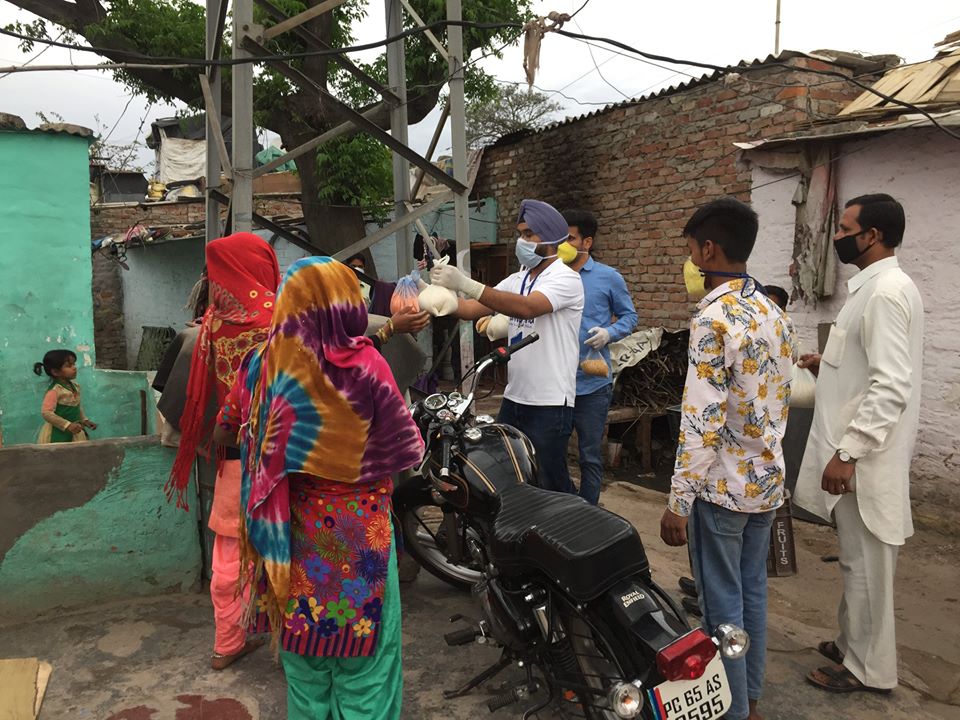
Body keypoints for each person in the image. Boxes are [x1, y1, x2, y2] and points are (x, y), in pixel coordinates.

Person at [215, 256, 424, 720]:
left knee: (306, 666)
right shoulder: (365, 365)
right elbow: (408, 449)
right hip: (360, 534)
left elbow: (224, 431)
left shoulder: (260, 366)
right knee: (367, 668)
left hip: (289, 535)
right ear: (345, 303)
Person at [660, 198, 796, 720]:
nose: (691, 262)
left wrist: (678, 501)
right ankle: (751, 698)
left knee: (722, 606)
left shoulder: (712, 318)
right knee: (752, 594)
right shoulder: (772, 311)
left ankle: (733, 710)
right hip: (765, 483)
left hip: (720, 490)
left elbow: (701, 420)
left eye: (691, 250)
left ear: (708, 249)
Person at [795, 194, 922, 695]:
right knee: (855, 562)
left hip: (864, 460)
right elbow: (865, 363)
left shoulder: (887, 292)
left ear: (872, 236)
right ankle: (853, 645)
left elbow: (891, 385)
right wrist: (824, 362)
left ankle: (870, 670)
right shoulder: (872, 290)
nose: (837, 236)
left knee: (868, 568)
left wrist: (848, 453)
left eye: (845, 228)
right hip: (855, 454)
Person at [166, 232, 281, 670]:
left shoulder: (211, 323)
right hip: (281, 458)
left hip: (231, 453)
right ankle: (296, 648)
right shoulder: (280, 319)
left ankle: (227, 643)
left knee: (229, 553)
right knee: (286, 549)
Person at [429, 199, 584, 493]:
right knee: (509, 475)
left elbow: (527, 308)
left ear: (551, 239)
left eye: (528, 235)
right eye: (520, 234)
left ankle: (578, 531)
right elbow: (471, 309)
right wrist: (437, 297)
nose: (520, 242)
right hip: (515, 398)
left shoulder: (566, 278)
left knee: (550, 482)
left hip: (549, 402)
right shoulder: (519, 277)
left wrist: (466, 282)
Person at [561, 209, 638, 504]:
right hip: (557, 382)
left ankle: (589, 513)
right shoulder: (553, 277)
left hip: (592, 382)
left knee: (590, 456)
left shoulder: (608, 277)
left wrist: (609, 332)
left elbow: (630, 317)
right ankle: (564, 505)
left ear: (587, 242)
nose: (562, 245)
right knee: (552, 453)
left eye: (569, 238)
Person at [34, 349, 96, 443]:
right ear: (55, 372)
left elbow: (77, 406)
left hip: (75, 431)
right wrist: (67, 425)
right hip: (57, 432)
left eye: (74, 364)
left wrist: (84, 420)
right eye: (69, 366)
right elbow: (46, 413)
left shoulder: (75, 387)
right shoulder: (55, 391)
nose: (74, 368)